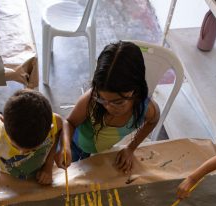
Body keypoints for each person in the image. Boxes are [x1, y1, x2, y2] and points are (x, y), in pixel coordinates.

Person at [59, 41, 160, 174]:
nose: (108, 106)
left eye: (117, 102)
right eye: (102, 99)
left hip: (101, 151)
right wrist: (65, 146)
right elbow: (69, 122)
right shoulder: (91, 99)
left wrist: (131, 148)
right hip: (76, 146)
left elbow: (154, 119)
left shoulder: (145, 108)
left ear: (134, 90)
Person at [0, 89, 63, 206]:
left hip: (39, 173)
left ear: (48, 130)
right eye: (16, 147)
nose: (22, 153)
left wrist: (48, 165)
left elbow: (58, 130)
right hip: (10, 179)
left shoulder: (53, 123)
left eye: (30, 149)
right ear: (3, 122)